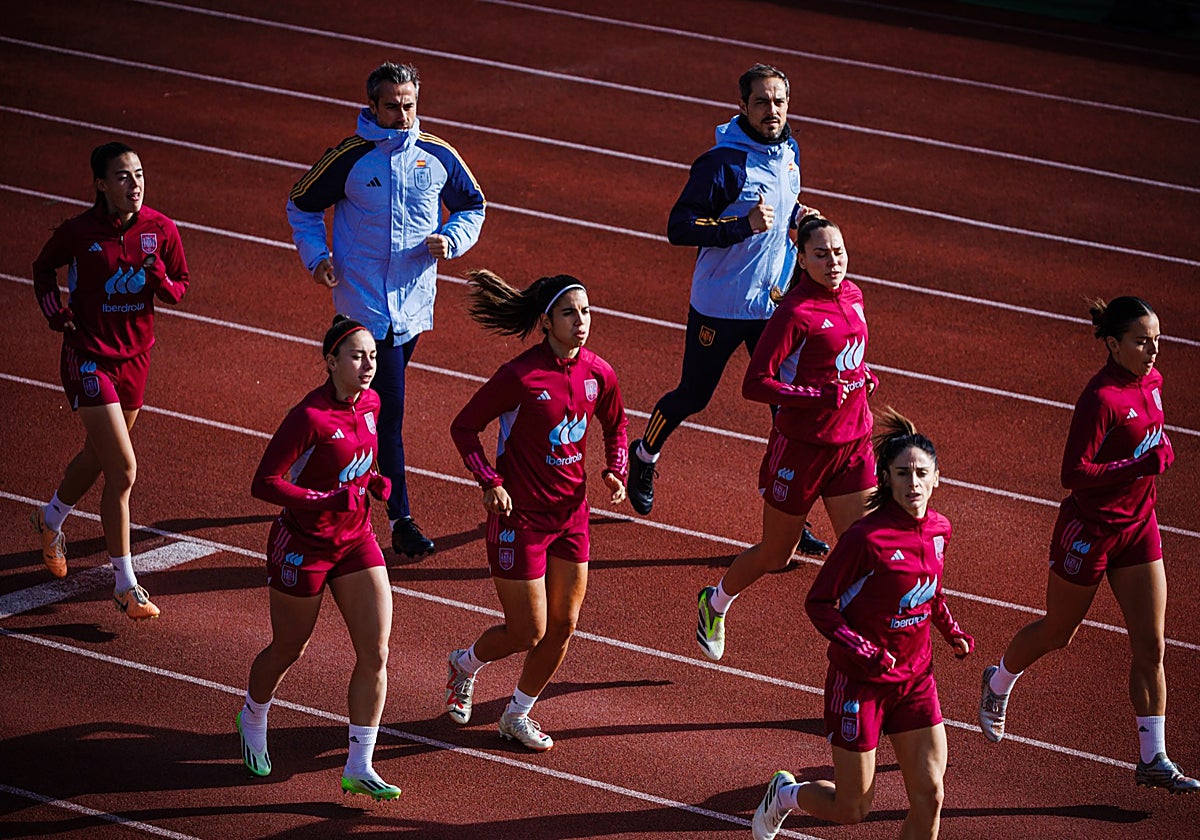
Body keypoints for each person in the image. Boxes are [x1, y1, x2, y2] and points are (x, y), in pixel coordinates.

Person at [979, 297, 1198, 794]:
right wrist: (1140, 465)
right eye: (1142, 342)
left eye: (1157, 340)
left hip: (1138, 527)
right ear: (1113, 344)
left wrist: (1157, 453)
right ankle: (998, 681)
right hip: (1090, 530)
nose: (1153, 351)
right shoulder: (1099, 399)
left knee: (1151, 645)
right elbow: (1073, 473)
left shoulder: (1154, 383)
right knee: (1059, 632)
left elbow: (1145, 442)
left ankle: (1153, 758)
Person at [625, 62, 828, 558]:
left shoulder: (790, 151)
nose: (771, 110)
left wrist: (801, 217)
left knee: (788, 408)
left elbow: (783, 206)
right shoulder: (721, 164)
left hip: (771, 306)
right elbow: (679, 226)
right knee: (693, 396)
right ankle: (644, 455)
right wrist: (741, 225)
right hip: (718, 306)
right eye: (761, 101)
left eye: (779, 101)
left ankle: (790, 514)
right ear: (742, 106)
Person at [286, 60, 486, 560]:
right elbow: (302, 203)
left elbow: (473, 206)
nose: (402, 114)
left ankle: (304, 461)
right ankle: (401, 520)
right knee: (387, 413)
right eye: (392, 105)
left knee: (354, 400)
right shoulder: (351, 157)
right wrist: (317, 257)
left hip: (412, 307)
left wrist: (452, 238)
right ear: (372, 106)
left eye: (409, 104)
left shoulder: (437, 155)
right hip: (362, 305)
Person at [751, 409, 974, 840]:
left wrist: (951, 630)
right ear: (885, 478)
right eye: (902, 473)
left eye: (921, 473)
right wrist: (864, 649)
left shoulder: (940, 530)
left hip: (916, 681)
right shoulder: (865, 538)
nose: (913, 483)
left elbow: (930, 590)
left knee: (931, 796)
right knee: (853, 808)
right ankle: (785, 794)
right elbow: (819, 603)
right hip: (859, 683)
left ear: (937, 478)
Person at [444, 269, 628, 752]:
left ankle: (516, 715)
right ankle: (465, 664)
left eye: (586, 311)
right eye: (569, 313)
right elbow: (464, 427)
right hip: (520, 518)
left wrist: (616, 469)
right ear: (546, 321)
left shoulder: (598, 373)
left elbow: (617, 425)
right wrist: (490, 480)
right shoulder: (519, 376)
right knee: (528, 630)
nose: (581, 321)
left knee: (563, 626)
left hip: (572, 516)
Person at [695, 215, 877, 661]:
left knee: (865, 550)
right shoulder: (795, 313)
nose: (833, 262)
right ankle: (714, 603)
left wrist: (863, 375)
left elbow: (845, 358)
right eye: (821, 254)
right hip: (803, 448)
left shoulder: (854, 296)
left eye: (838, 252)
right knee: (777, 554)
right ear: (802, 259)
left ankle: (861, 647)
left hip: (854, 444)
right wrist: (817, 396)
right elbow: (755, 383)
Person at [237, 315, 400, 800]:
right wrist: (326, 499)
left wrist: (373, 480)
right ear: (331, 361)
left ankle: (359, 765)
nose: (368, 365)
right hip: (302, 545)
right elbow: (265, 483)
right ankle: (253, 716)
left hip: (356, 540)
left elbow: (362, 457)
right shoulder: (308, 416)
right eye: (357, 356)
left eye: (373, 356)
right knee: (290, 648)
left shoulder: (371, 402)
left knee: (376, 651)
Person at [29, 141, 190, 619]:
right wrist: (55, 311)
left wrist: (158, 278)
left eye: (138, 174)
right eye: (122, 176)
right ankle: (125, 585)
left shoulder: (161, 229)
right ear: (101, 184)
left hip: (135, 360)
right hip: (88, 357)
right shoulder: (79, 232)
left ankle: (50, 519)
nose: (134, 184)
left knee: (97, 457)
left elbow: (180, 288)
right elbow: (42, 269)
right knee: (123, 470)